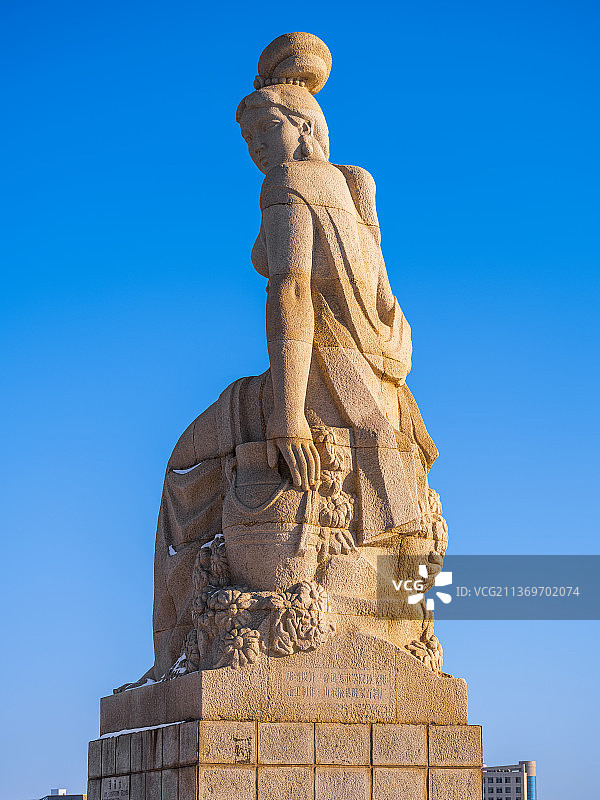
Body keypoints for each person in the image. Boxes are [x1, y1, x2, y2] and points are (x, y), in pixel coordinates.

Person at [139, 33, 439, 684]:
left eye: (261, 136)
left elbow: (294, 290)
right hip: (382, 396)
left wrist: (285, 420)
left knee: (181, 465)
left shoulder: (289, 183)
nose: (255, 154)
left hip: (315, 387)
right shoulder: (357, 188)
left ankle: (172, 659)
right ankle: (410, 641)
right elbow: (386, 307)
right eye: (249, 145)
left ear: (299, 124)